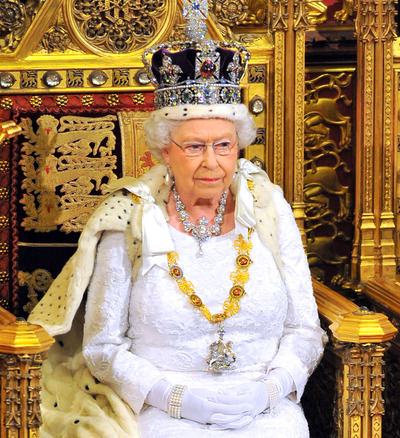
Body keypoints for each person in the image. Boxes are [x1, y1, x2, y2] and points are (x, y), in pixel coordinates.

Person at [28, 2, 325, 436]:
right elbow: (102, 346)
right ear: (164, 151)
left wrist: (272, 389)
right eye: (193, 147)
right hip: (160, 411)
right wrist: (175, 398)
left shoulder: (268, 207)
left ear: (238, 146)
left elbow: (304, 328)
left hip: (267, 408)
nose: (212, 163)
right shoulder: (129, 217)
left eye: (223, 145)